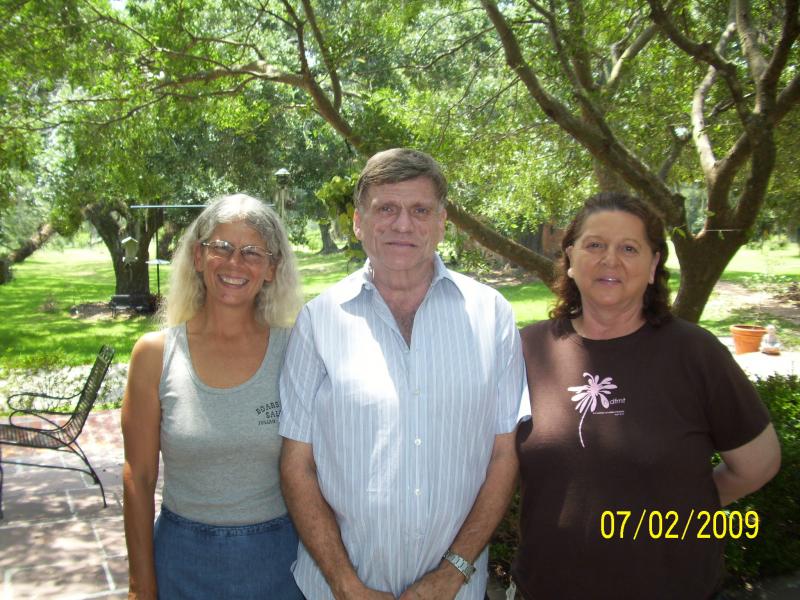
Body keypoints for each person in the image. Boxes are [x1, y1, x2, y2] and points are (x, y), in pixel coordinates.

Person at [279, 148, 528, 600]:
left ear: (441, 223)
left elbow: (502, 456)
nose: (403, 225)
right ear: (359, 222)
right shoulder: (319, 321)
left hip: (455, 591)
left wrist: (453, 573)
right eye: (386, 209)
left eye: (420, 210)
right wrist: (344, 583)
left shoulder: (491, 316)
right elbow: (298, 464)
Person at [513, 192, 781, 599]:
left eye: (629, 248)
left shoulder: (695, 353)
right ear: (570, 257)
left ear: (653, 265)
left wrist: (684, 508)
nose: (610, 260)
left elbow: (757, 465)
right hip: (545, 588)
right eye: (595, 245)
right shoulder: (526, 350)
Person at [121, 194, 304, 600]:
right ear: (198, 256)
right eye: (222, 247)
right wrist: (140, 585)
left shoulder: (296, 352)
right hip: (181, 560)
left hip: (280, 562)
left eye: (252, 252)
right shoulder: (154, 355)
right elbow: (139, 476)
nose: (235, 263)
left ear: (272, 268)